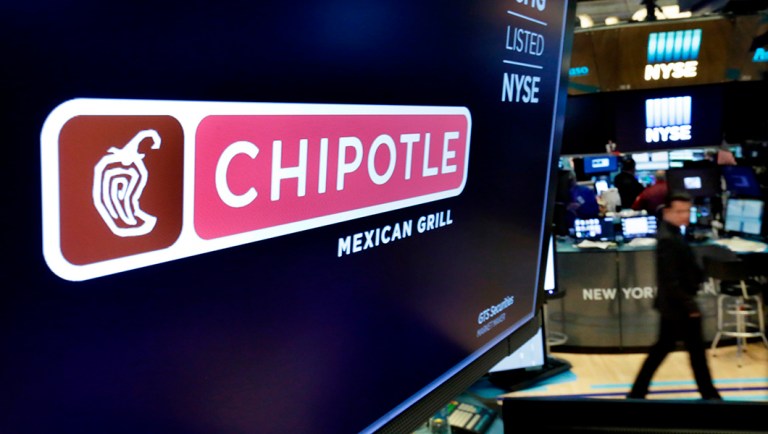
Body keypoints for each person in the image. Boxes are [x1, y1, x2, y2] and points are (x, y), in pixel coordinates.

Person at [627, 191, 721, 400]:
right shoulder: (668, 239)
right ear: (667, 211)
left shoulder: (674, 232)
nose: (684, 215)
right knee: (693, 355)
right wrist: (691, 306)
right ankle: (711, 397)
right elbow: (670, 280)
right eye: (679, 211)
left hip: (673, 306)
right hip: (678, 308)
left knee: (665, 350)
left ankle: (636, 394)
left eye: (687, 211)